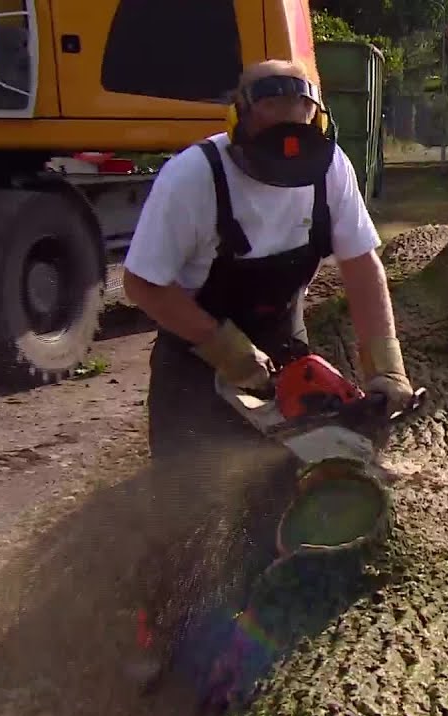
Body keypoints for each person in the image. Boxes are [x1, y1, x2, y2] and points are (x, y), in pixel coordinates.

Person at [122, 59, 414, 460]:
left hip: (284, 341)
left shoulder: (330, 168)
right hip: (195, 355)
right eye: (273, 133)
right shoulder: (192, 177)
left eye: (298, 131)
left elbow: (361, 265)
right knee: (185, 494)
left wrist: (386, 365)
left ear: (317, 124)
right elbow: (142, 283)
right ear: (236, 123)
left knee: (285, 489)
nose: (286, 153)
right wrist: (225, 348)